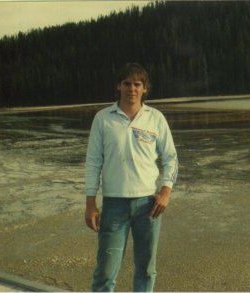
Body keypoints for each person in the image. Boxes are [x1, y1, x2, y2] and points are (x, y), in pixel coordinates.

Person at [85, 63, 178, 292]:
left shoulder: (155, 118)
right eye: (127, 84)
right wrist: (90, 204)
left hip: (148, 205)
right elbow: (93, 163)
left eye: (137, 84)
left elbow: (171, 159)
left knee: (146, 270)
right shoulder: (103, 118)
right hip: (114, 205)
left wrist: (165, 191)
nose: (132, 89)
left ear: (145, 88)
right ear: (119, 86)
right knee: (105, 272)